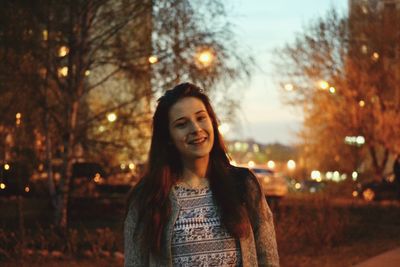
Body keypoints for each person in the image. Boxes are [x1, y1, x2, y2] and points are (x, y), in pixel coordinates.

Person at [124, 83, 279, 267]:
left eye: (201, 118)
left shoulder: (243, 185)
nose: (196, 129)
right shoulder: (148, 196)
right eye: (182, 124)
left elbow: (267, 257)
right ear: (168, 138)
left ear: (212, 122)